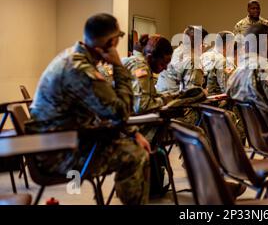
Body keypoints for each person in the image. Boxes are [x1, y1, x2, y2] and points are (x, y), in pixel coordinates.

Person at [26, 13, 151, 205]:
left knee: (133, 146)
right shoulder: (79, 70)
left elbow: (105, 109)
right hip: (59, 154)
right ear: (111, 42)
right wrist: (118, 67)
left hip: (59, 142)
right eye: (119, 37)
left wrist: (133, 134)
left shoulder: (73, 58)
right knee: (136, 156)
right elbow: (121, 112)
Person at [122, 34, 177, 115]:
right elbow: (142, 106)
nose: (165, 68)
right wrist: (165, 100)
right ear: (150, 57)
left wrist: (172, 96)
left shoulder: (141, 63)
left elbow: (150, 95)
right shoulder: (141, 67)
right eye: (162, 64)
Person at [156, 25, 207, 93]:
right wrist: (204, 93)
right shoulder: (193, 60)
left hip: (161, 95)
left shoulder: (176, 51)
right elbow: (193, 92)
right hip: (175, 99)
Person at [201, 31, 236, 95]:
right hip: (217, 101)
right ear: (229, 45)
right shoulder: (223, 61)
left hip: (203, 98)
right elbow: (226, 89)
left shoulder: (203, 56)